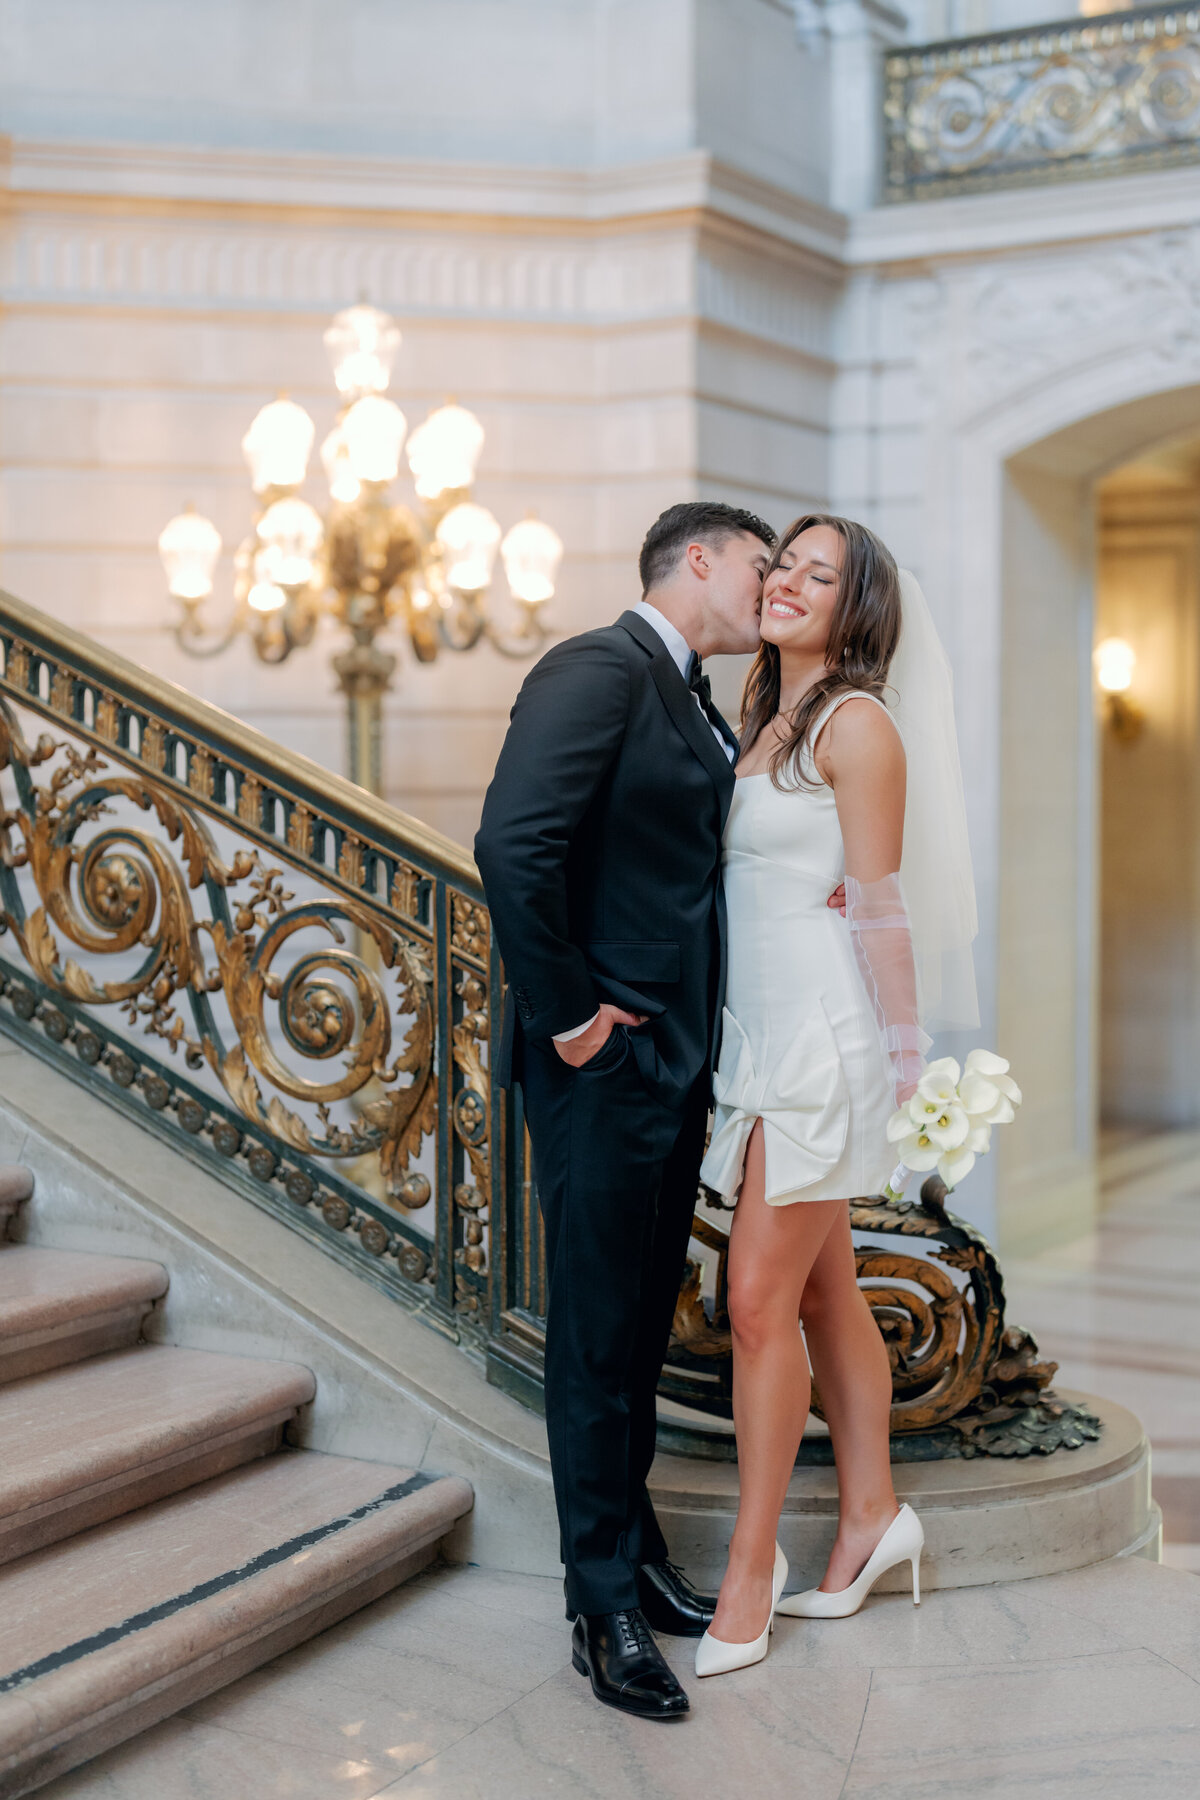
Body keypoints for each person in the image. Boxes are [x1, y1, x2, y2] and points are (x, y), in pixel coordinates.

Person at [474, 500, 776, 1720]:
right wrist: (573, 1022)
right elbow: (513, 844)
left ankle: (636, 1558)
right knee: (598, 1340)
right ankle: (598, 1603)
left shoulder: (694, 695)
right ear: (698, 559)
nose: (772, 590)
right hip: (603, 1067)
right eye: (763, 566)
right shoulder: (597, 667)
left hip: (672, 1069)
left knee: (641, 1329)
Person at [693, 513, 978, 1678]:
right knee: (824, 1294)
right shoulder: (762, 720)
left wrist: (905, 1060)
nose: (790, 585)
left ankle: (750, 1569)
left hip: (820, 1046)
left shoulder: (859, 726)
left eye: (820, 575)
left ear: (854, 609)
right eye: (785, 566)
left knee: (755, 1299)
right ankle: (873, 1517)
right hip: (751, 1035)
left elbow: (879, 903)